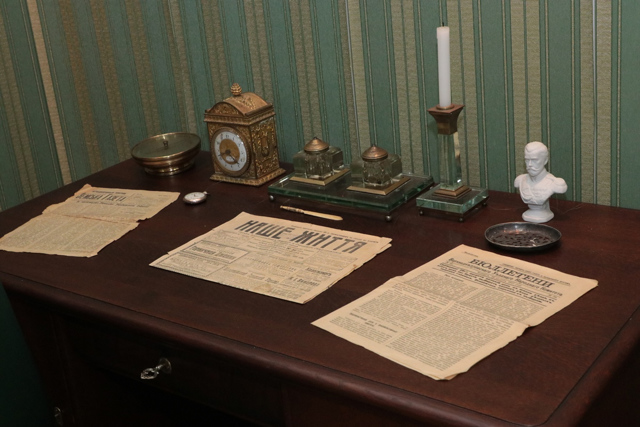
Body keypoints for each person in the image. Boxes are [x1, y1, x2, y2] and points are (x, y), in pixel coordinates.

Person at [514, 142, 567, 223]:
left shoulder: (555, 183)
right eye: (527, 160)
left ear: (545, 160)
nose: (530, 164)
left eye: (534, 160)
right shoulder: (520, 180)